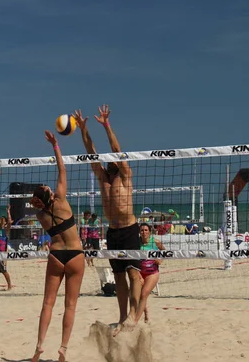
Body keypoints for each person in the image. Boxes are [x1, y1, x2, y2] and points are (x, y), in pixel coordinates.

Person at [74, 105, 142, 336]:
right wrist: (84, 129)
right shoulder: (102, 176)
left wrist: (106, 125)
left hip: (130, 230)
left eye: (115, 157)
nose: (111, 158)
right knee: (119, 277)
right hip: (113, 232)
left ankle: (134, 315)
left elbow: (115, 147)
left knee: (134, 274)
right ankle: (123, 317)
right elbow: (91, 152)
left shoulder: (125, 174)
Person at [30, 131, 85, 362]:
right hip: (75, 256)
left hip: (55, 255)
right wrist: (55, 146)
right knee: (70, 305)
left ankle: (40, 345)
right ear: (50, 194)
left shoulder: (40, 215)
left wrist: (39, 198)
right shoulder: (61, 200)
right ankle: (63, 348)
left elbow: (40, 200)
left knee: (47, 304)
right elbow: (62, 170)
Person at [135, 223, 164, 324]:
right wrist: (138, 275)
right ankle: (146, 311)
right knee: (137, 295)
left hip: (152, 273)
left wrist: (160, 259)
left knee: (143, 294)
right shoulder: (136, 243)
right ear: (139, 232)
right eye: (142, 230)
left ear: (150, 232)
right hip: (139, 272)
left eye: (146, 230)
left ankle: (135, 321)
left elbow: (164, 251)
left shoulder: (155, 242)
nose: (144, 232)